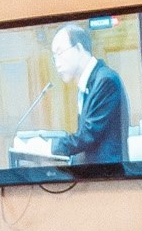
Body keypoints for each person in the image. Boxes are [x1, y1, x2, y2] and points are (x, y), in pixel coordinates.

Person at [15, 23, 127, 165]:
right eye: (54, 57)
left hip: (109, 174)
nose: (57, 63)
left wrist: (47, 147)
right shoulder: (89, 83)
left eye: (60, 53)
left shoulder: (105, 81)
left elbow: (88, 136)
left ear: (79, 49)